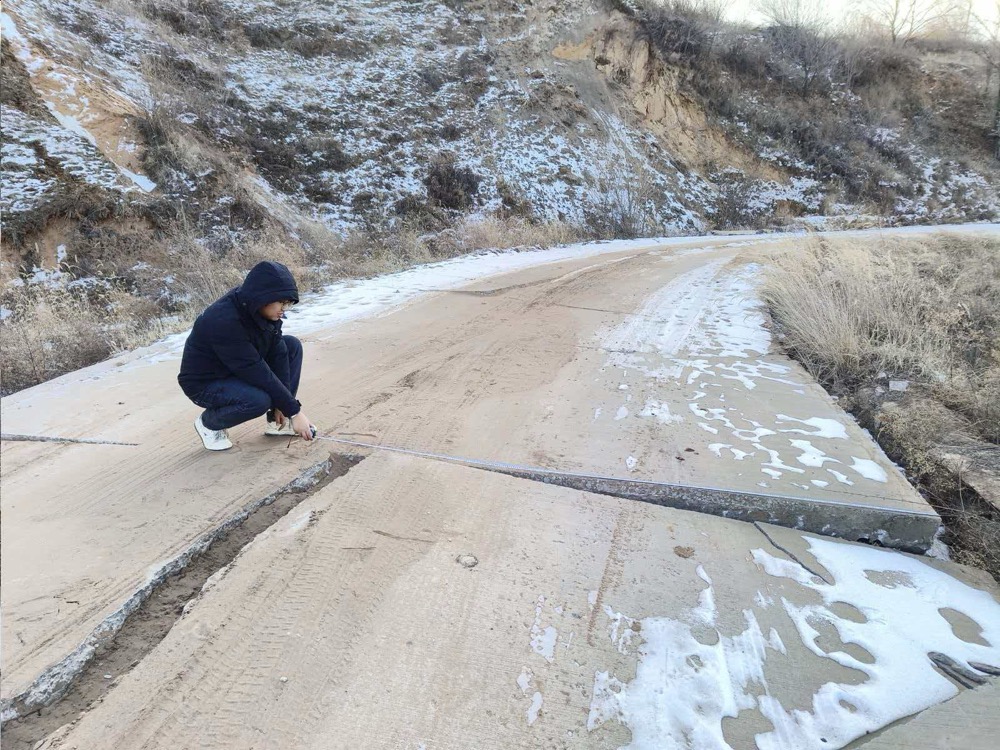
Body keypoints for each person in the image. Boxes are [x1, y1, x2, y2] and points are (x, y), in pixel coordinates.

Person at [178, 261, 315, 451]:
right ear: (264, 298)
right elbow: (257, 371)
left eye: (288, 303)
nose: (284, 309)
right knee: (257, 400)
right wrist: (295, 411)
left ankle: (277, 422)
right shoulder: (223, 321)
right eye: (281, 303)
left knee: (291, 345)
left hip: (236, 368)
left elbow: (278, 352)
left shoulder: (262, 309)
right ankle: (209, 424)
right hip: (205, 382)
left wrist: (284, 407)